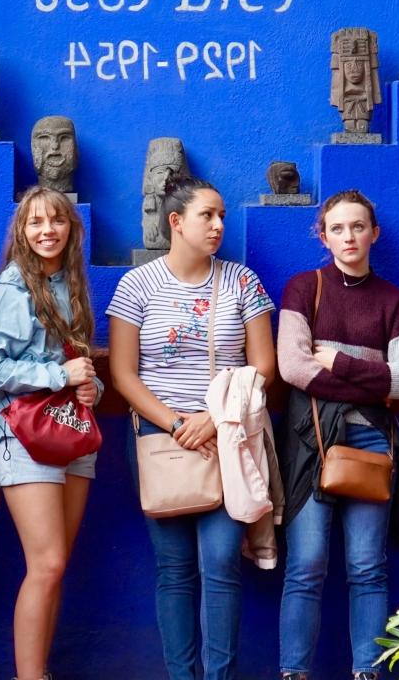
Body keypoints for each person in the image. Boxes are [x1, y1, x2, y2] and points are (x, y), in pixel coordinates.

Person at [108, 176, 276, 680]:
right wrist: (177, 422)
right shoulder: (136, 285)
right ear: (176, 222)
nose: (219, 225)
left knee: (222, 562)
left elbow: (263, 367)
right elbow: (122, 372)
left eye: (222, 215)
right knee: (174, 570)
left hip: (227, 436)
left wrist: (211, 420)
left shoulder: (243, 282)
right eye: (208, 215)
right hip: (160, 441)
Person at [276, 190, 399, 680]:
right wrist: (371, 377)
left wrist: (337, 361)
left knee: (367, 566)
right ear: (323, 235)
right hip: (311, 444)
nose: (349, 237)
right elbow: (293, 367)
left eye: (358, 227)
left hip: (371, 445)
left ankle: (367, 671)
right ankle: (294, 673)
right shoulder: (304, 288)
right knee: (307, 564)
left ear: (374, 233)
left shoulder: (395, 302)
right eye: (337, 228)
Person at [0, 186, 101, 680]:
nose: (47, 230)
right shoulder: (14, 287)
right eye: (36, 223)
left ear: (72, 229)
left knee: (57, 566)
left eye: (57, 221)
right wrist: (58, 378)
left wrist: (90, 384)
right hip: (26, 437)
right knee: (45, 564)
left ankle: (39, 672)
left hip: (71, 430)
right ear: (21, 233)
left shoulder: (71, 284)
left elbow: (74, 363)